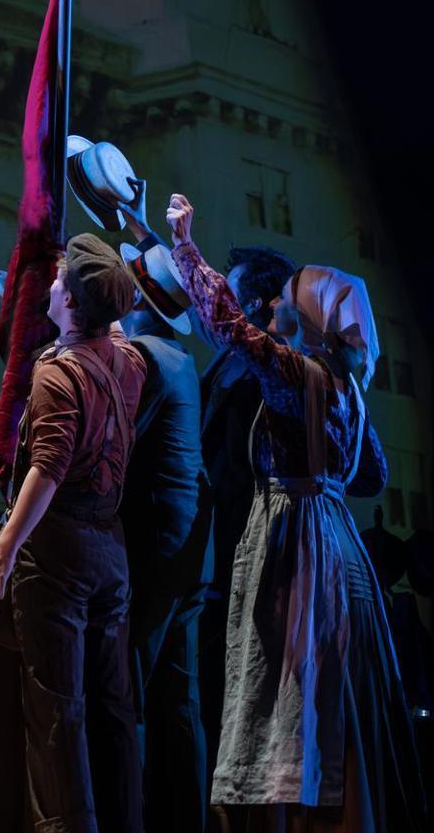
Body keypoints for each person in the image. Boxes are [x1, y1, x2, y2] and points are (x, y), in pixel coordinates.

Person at [165, 192, 428, 829]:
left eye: (290, 296)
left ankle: (299, 816)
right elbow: (371, 476)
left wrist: (185, 246)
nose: (279, 302)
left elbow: (230, 325)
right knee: (341, 693)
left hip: (300, 544)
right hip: (343, 545)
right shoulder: (349, 388)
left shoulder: (302, 375)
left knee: (290, 690)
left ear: (310, 317)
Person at [0, 234, 144, 833]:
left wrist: (4, 547)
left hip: (60, 555)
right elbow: (112, 327)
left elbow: (46, 467)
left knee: (57, 717)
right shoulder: (129, 362)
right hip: (110, 552)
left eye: (57, 282)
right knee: (114, 712)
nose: (49, 285)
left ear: (72, 303)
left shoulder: (57, 374)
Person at [114, 228, 213, 833]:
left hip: (152, 543)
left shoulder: (144, 358)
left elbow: (120, 443)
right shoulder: (182, 359)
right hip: (190, 549)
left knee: (133, 693)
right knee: (181, 698)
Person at [194, 243, 293, 767]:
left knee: (242, 709)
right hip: (219, 555)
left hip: (247, 555)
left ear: (252, 304)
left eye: (227, 291)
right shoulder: (231, 359)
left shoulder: (271, 368)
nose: (215, 300)